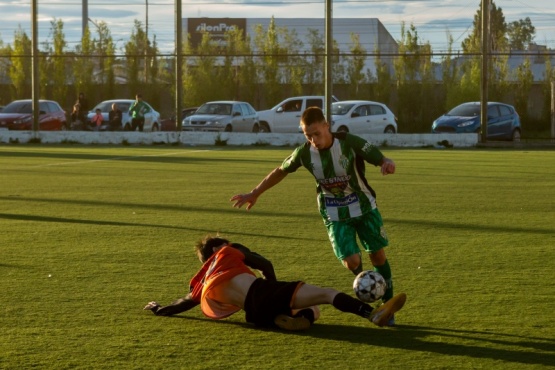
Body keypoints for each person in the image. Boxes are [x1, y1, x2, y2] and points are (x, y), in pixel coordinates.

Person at [230, 106, 399, 326]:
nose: (313, 140)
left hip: (365, 207)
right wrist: (255, 193)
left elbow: (377, 156)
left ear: (327, 126)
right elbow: (280, 171)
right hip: (334, 213)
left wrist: (386, 162)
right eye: (308, 136)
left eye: (316, 134)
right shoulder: (304, 153)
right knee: (351, 261)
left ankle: (388, 304)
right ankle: (367, 282)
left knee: (378, 256)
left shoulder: (349, 142)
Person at [143, 235, 406, 331]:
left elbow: (185, 302)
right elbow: (264, 264)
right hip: (262, 291)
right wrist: (275, 289)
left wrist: (159, 308)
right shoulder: (229, 250)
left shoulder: (201, 279)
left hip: (254, 314)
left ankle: (292, 317)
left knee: (312, 310)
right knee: (326, 294)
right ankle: (372, 313)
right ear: (220, 246)